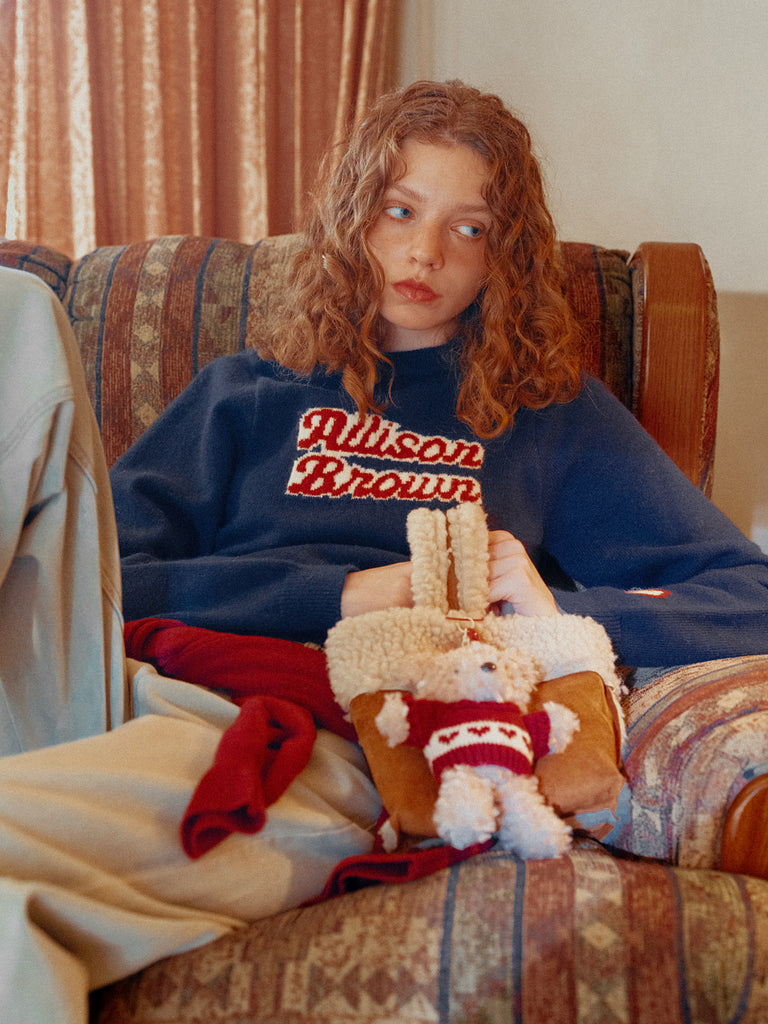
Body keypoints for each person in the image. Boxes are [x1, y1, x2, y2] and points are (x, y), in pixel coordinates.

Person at [0, 79, 766, 1023]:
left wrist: (552, 613)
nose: (425, 251)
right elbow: (104, 586)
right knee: (13, 316)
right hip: (106, 682)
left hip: (317, 728)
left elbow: (749, 594)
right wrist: (339, 595)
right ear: (352, 218)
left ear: (503, 256)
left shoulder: (548, 416)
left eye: (469, 228)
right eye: (400, 210)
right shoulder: (247, 392)